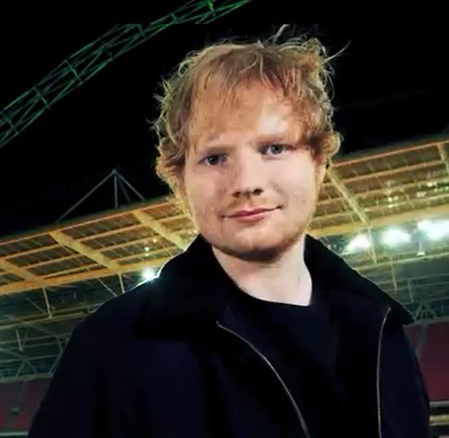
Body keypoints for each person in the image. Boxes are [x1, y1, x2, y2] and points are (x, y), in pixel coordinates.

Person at [28, 31, 435, 438]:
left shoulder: (385, 333)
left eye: (274, 148)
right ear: (180, 180)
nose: (246, 182)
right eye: (215, 158)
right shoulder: (109, 348)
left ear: (318, 161)